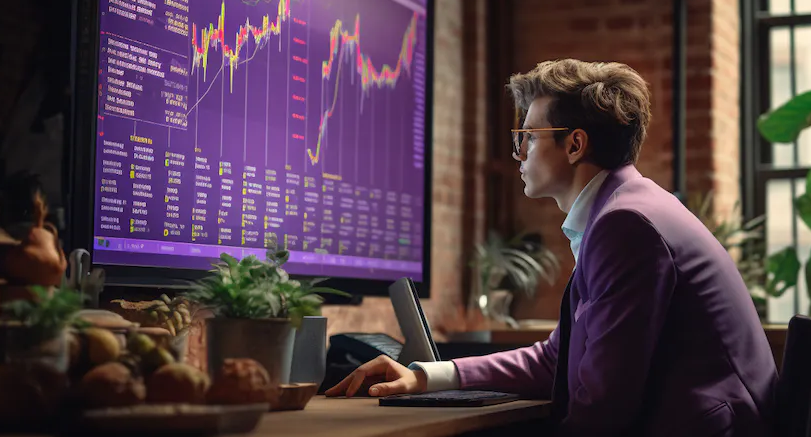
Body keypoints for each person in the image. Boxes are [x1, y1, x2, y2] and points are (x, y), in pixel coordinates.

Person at [326, 59, 778, 436]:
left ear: (575, 144)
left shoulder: (626, 225)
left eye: (527, 137)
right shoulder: (624, 210)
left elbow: (602, 407)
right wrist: (426, 376)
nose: (518, 153)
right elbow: (556, 358)